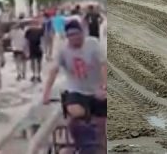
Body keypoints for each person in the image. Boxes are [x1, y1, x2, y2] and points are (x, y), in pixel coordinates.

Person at [42, 22, 107, 153]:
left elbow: (103, 65)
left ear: (82, 33)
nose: (74, 38)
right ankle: (82, 141)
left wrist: (104, 86)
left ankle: (101, 147)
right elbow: (53, 71)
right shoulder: (63, 49)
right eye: (70, 35)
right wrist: (46, 93)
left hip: (96, 89)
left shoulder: (93, 44)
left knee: (101, 128)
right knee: (75, 111)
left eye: (77, 34)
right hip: (76, 90)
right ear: (67, 37)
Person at [25, 17, 45, 83]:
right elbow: (26, 41)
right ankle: (36, 75)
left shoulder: (31, 30)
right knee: (35, 62)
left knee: (36, 62)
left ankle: (37, 75)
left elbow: (43, 39)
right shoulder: (29, 31)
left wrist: (43, 47)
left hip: (36, 47)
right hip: (34, 48)